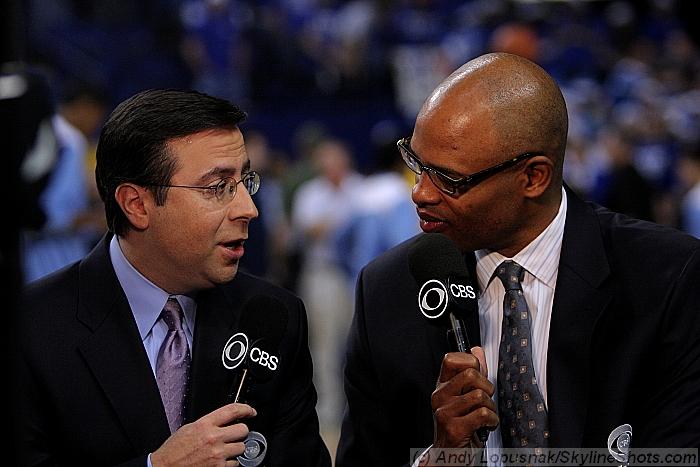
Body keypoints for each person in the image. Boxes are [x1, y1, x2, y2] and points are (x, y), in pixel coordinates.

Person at [336, 53, 700, 466]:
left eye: (449, 178)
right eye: (417, 164)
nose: (420, 193)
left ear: (533, 177)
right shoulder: (388, 290)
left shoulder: (667, 278)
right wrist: (440, 459)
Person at [14, 89, 331, 466]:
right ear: (136, 204)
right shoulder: (29, 329)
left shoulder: (276, 317)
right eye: (218, 187)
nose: (248, 208)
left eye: (246, 182)